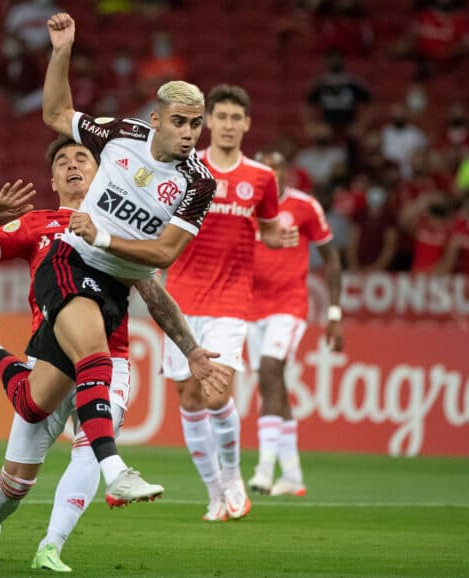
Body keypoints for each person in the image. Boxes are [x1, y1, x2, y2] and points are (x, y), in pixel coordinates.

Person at [0, 12, 218, 508]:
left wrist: (191, 347)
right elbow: (55, 114)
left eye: (197, 124)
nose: (189, 132)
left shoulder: (198, 182)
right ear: (156, 119)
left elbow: (160, 260)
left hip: (110, 286)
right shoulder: (118, 138)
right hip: (70, 263)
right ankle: (117, 471)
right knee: (96, 358)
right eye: (179, 121)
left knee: (32, 403)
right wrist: (62, 50)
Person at [0, 136, 228, 571]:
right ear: (53, 180)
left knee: (91, 445)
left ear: (102, 172)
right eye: (62, 161)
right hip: (50, 355)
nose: (73, 165)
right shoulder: (37, 224)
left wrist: (191, 350)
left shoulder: (120, 229)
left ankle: (51, 545)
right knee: (16, 484)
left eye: (82, 158)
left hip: (112, 355)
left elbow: (155, 295)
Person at [162, 84, 299, 522]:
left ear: (247, 124)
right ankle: (215, 493)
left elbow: (269, 231)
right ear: (207, 122)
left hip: (230, 300)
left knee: (216, 391)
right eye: (219, 117)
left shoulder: (261, 178)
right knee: (189, 397)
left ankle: (235, 477)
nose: (227, 125)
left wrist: (280, 238)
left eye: (235, 118)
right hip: (180, 298)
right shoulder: (186, 167)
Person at [246, 149, 343, 496]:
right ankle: (292, 476)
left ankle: (263, 469)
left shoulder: (305, 207)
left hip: (289, 305)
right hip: (250, 308)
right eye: (266, 169)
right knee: (272, 384)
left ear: (287, 173)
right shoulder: (245, 207)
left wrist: (334, 314)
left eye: (278, 168)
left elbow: (332, 259)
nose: (273, 175)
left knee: (271, 369)